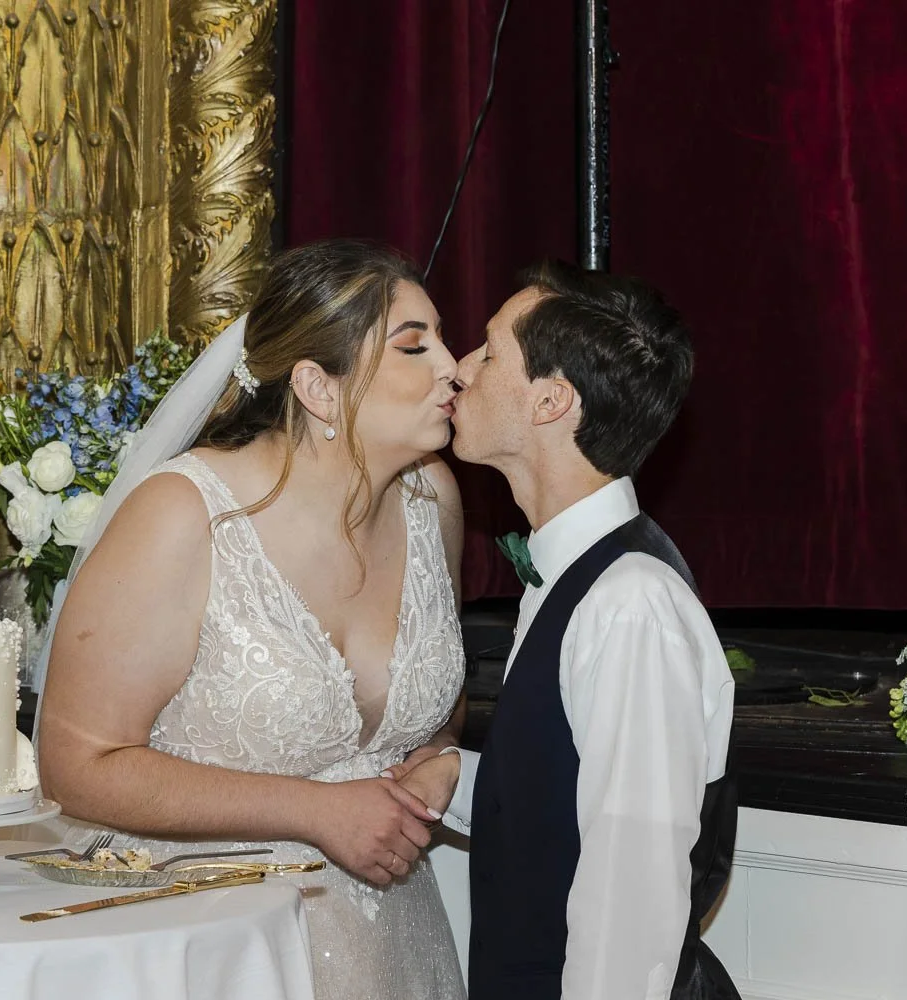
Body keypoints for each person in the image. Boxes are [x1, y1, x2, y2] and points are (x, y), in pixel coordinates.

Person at [37, 239, 468, 1000]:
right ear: (318, 387)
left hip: (394, 946)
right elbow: (77, 766)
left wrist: (439, 758)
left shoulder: (433, 500)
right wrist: (315, 811)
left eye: (443, 339)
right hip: (217, 948)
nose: (454, 367)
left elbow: (434, 704)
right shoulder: (185, 515)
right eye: (415, 346)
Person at [389, 261, 739, 999]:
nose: (459, 369)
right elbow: (571, 794)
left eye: (489, 352)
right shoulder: (580, 574)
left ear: (551, 400)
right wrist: (460, 778)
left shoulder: (630, 604)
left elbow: (631, 905)